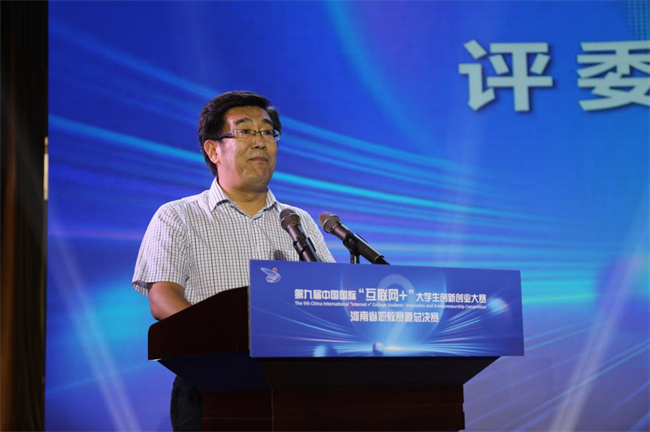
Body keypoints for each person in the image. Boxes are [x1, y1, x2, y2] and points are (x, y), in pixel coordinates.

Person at [132, 91, 335, 431]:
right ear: (213, 150)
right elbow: (162, 298)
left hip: (297, 385)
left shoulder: (297, 221)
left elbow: (332, 297)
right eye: (245, 131)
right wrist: (227, 342)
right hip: (211, 383)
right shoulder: (179, 216)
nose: (260, 142)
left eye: (268, 132)